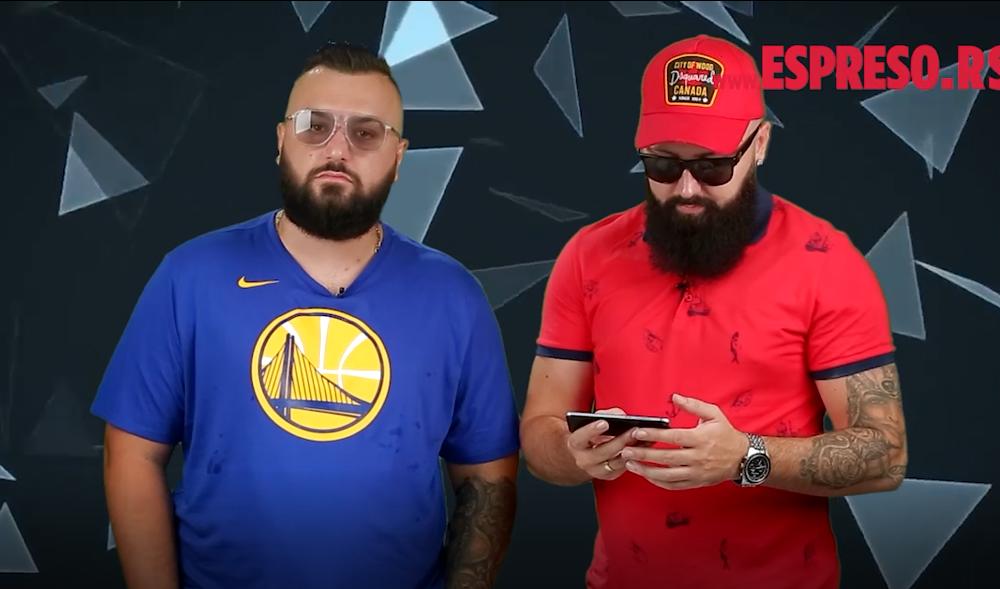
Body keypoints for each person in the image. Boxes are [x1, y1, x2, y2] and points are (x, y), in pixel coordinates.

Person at [92, 42, 519, 589]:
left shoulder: (454, 296)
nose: (337, 148)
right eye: (314, 125)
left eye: (366, 132)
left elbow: (487, 480)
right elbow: (131, 455)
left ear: (398, 157)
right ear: (280, 140)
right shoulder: (191, 275)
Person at [520, 34, 908, 589]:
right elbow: (540, 432)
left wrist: (745, 457)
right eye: (662, 164)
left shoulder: (826, 262)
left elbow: (885, 453)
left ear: (760, 144)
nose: (685, 188)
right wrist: (571, 452)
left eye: (713, 166)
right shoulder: (589, 255)